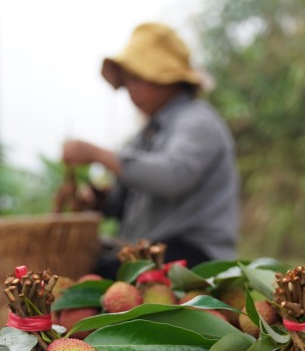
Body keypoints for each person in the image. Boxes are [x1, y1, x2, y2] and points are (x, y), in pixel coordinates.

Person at [62, 22, 240, 278]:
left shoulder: (198, 121)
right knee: (93, 267)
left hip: (197, 255)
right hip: (157, 249)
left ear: (168, 79)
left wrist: (100, 155)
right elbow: (127, 200)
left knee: (103, 276)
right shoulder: (148, 134)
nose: (131, 89)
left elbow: (172, 176)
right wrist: (97, 200)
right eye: (127, 81)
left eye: (138, 78)